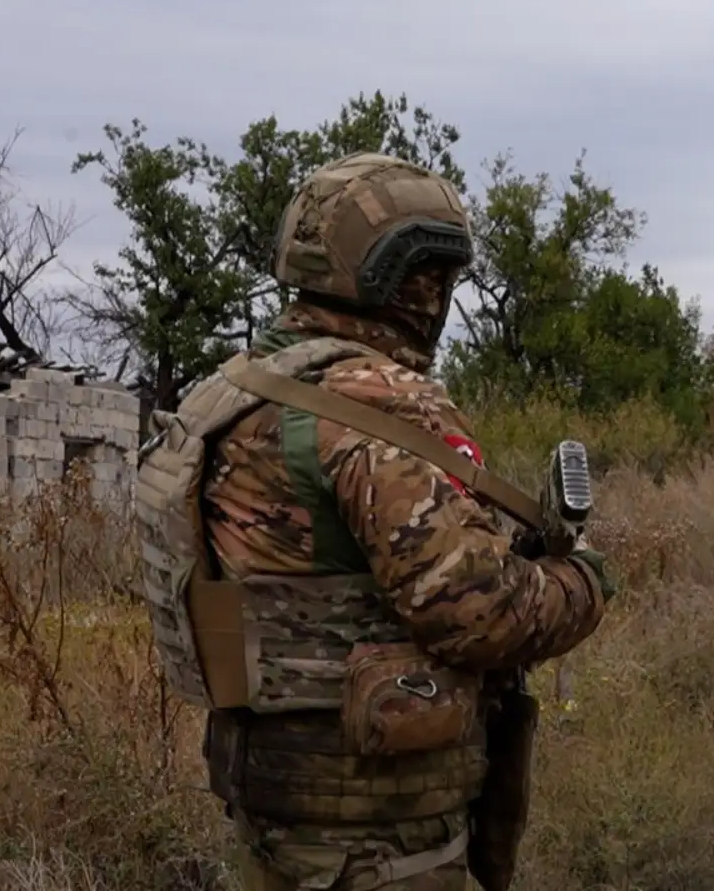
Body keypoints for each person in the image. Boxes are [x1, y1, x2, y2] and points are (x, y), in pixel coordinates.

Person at [135, 152, 615, 890]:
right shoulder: (377, 403)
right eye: (437, 277)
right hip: (380, 836)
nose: (440, 297)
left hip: (271, 810)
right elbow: (482, 614)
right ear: (407, 281)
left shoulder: (225, 397)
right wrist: (582, 579)